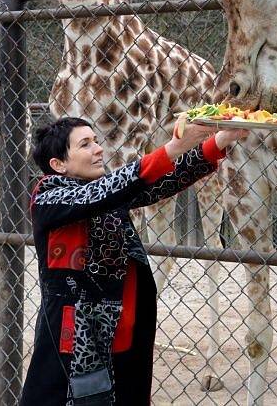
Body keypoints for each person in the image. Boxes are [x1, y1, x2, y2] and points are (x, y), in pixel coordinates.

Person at [19, 116, 247, 406]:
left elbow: (161, 181)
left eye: (96, 141)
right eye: (85, 144)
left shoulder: (109, 191)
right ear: (58, 164)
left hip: (124, 332)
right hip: (76, 338)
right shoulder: (49, 197)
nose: (98, 149)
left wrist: (219, 141)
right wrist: (175, 146)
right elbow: (104, 192)